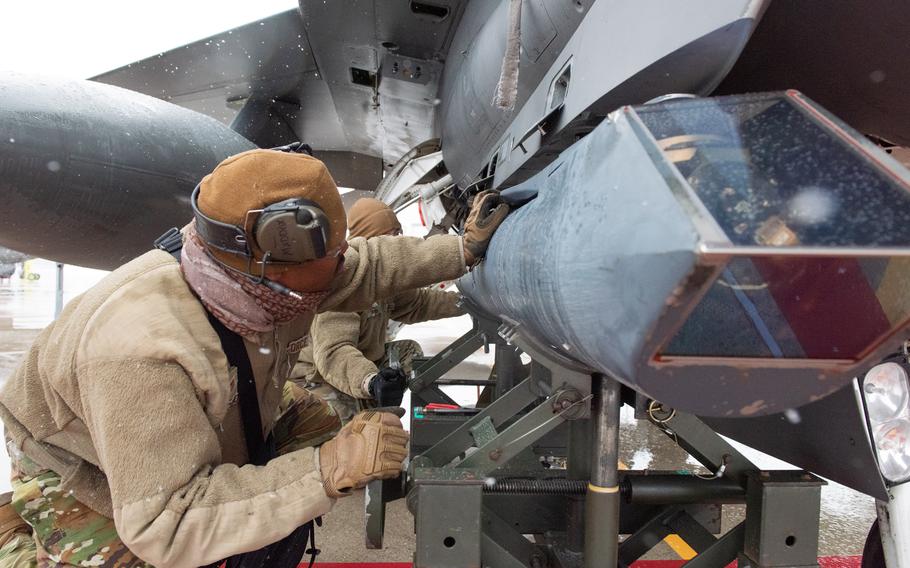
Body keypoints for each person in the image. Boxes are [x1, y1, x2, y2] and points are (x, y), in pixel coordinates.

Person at [0, 148, 508, 567]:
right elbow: (166, 521)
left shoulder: (262, 274)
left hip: (212, 394)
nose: (341, 263)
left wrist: (460, 251)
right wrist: (327, 470)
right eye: (329, 256)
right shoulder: (137, 349)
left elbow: (366, 266)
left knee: (320, 420)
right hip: (83, 454)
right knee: (142, 552)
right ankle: (21, 542)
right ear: (267, 266)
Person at [294, 198, 465, 422]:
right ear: (373, 239)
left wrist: (464, 303)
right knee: (350, 438)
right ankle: (364, 411)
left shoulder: (380, 279)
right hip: (321, 378)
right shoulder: (343, 283)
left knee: (408, 353)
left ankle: (372, 402)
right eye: (392, 235)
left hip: (361, 363)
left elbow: (417, 304)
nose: (397, 241)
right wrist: (371, 381)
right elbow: (334, 353)